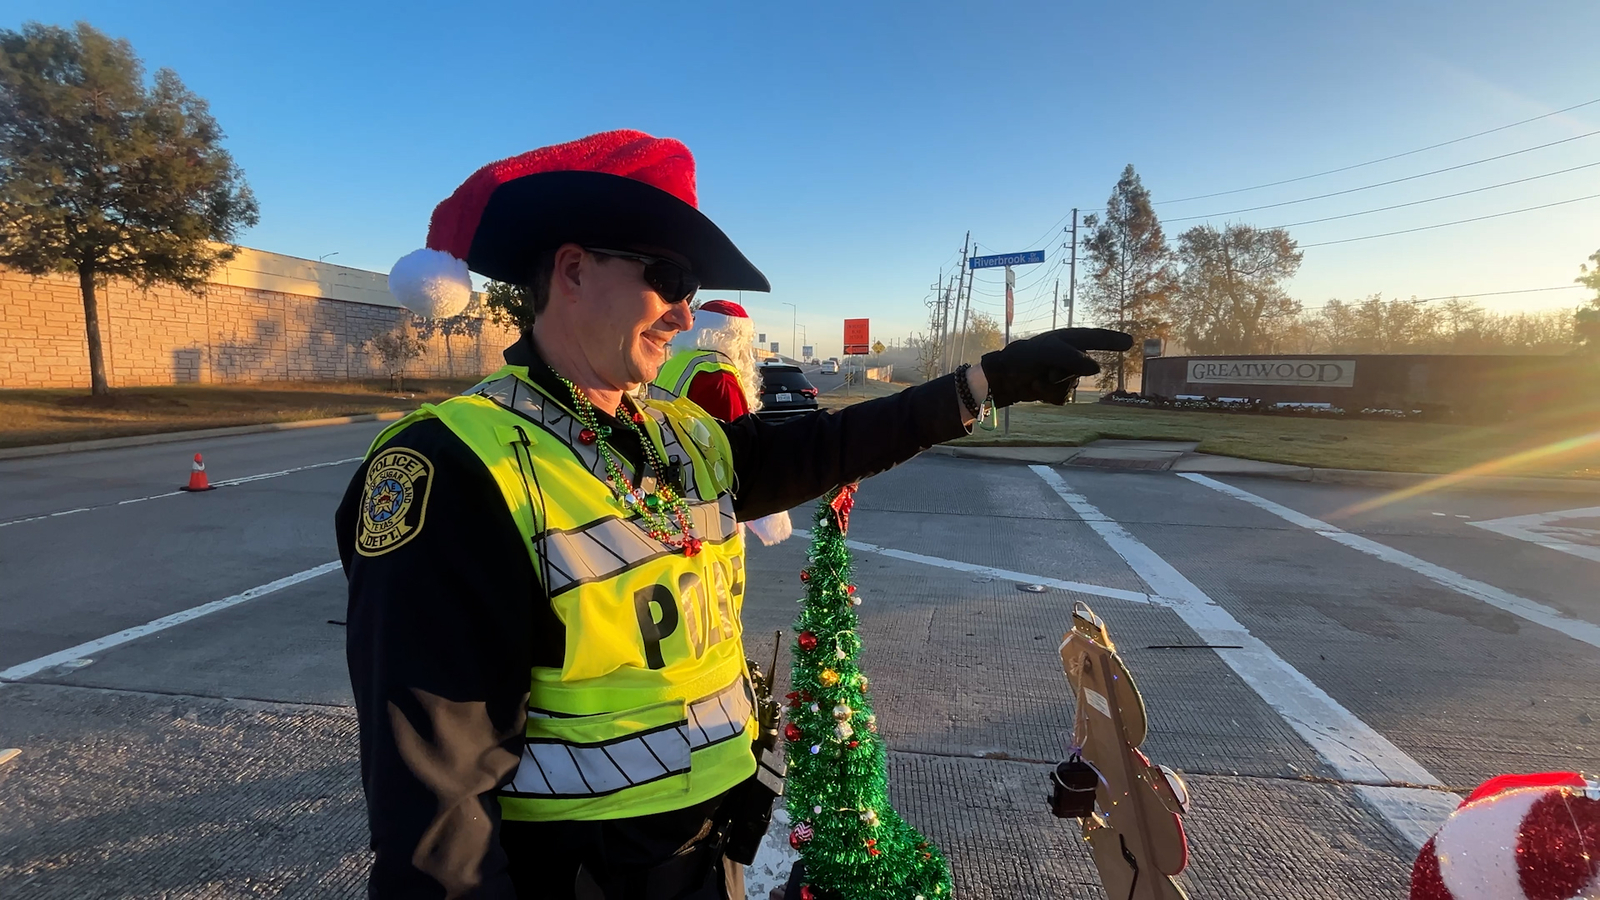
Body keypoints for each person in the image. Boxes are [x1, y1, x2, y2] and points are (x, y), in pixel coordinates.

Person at [338, 128, 1131, 900]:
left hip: (707, 852)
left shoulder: (679, 431)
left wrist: (984, 382)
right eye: (669, 279)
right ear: (573, 270)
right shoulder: (457, 464)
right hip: (577, 872)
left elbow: (826, 445)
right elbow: (432, 802)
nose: (685, 315)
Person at [649, 298, 791, 545]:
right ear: (733, 338)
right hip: (707, 501)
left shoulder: (674, 365)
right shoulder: (719, 376)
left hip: (666, 484)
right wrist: (769, 516)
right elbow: (737, 453)